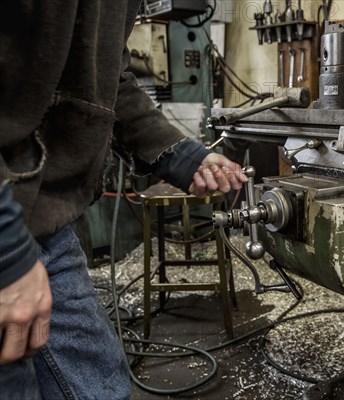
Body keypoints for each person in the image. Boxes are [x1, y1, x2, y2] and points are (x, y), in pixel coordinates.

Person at [0, 1, 247, 399]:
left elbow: (106, 79)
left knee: (103, 389)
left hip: (44, 223)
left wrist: (182, 156)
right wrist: (8, 255)